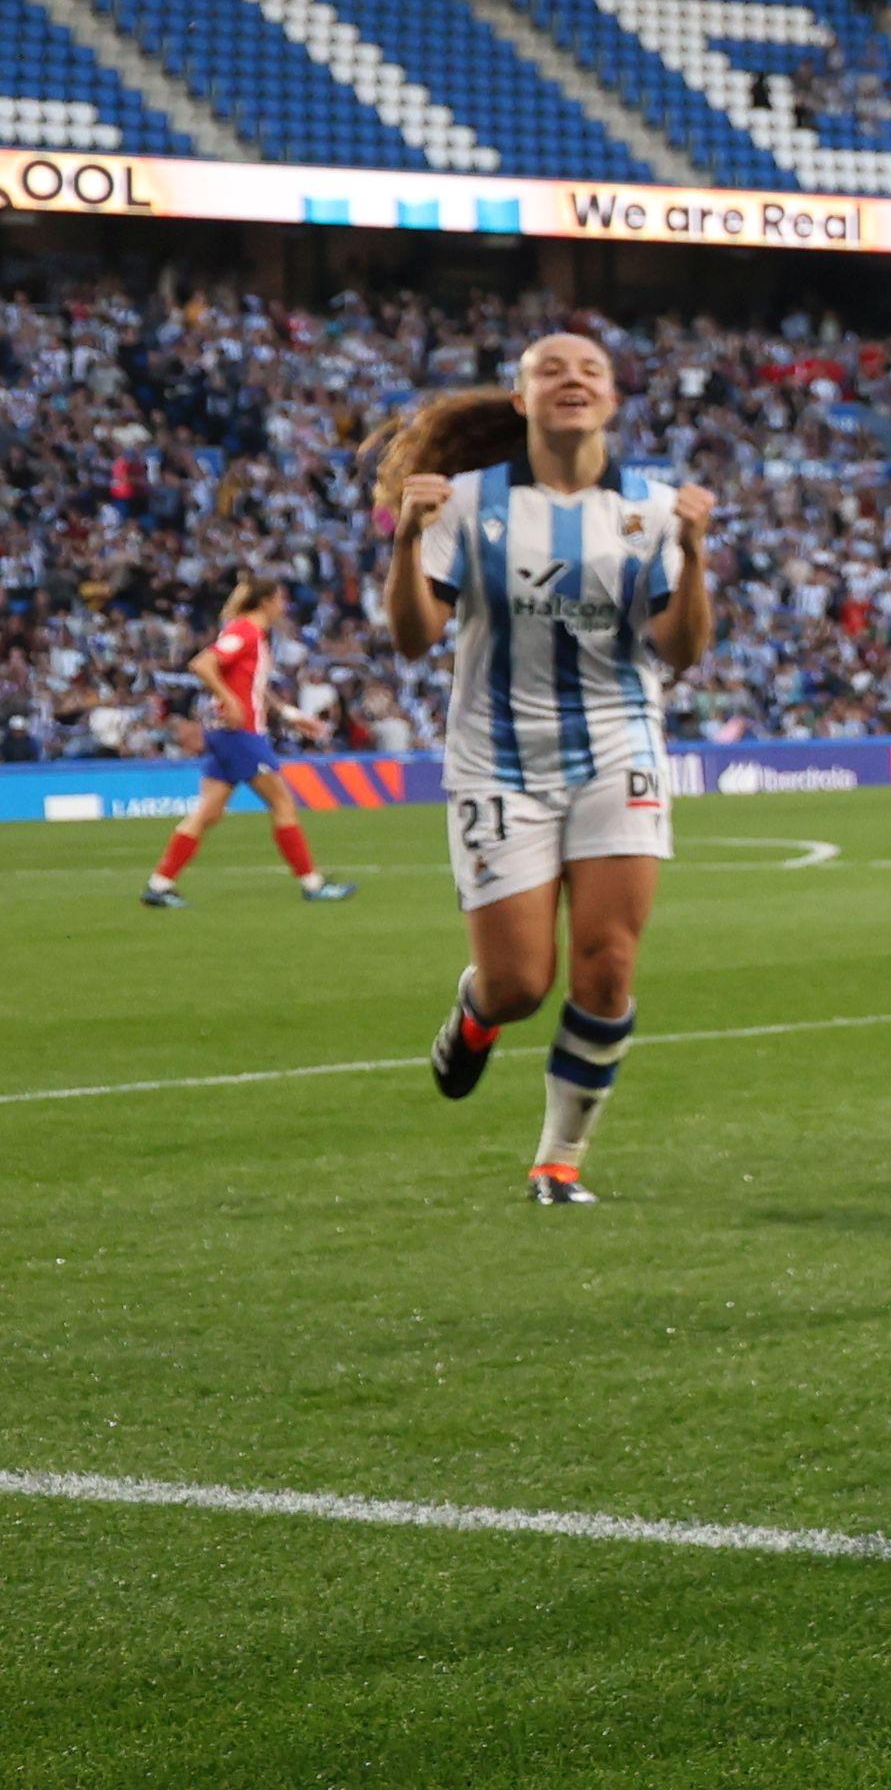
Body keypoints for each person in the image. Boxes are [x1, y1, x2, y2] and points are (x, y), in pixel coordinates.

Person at [383, 338, 714, 1199]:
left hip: (619, 746)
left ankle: (558, 1162)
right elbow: (414, 638)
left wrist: (696, 553)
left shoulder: (653, 508)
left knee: (607, 962)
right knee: (520, 984)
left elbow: (681, 650)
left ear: (613, 399)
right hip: (498, 757)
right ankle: (477, 1013)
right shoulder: (466, 502)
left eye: (590, 370)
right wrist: (405, 541)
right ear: (522, 400)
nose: (572, 379)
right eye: (550, 370)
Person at [142, 574, 351, 908]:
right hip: (239, 734)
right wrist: (229, 699)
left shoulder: (247, 633)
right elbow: (202, 664)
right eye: (280, 599)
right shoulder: (245, 631)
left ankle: (160, 884)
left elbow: (252, 684)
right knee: (282, 803)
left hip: (226, 733)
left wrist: (289, 714)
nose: (284, 606)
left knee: (209, 812)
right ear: (265, 601)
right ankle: (313, 884)